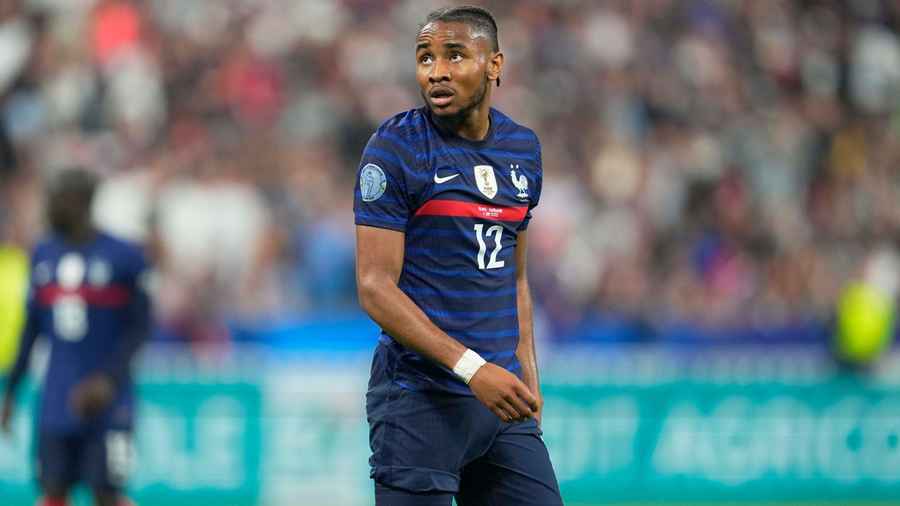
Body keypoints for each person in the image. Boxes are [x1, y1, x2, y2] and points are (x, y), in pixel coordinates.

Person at [354, 6, 562, 505]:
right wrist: (473, 369)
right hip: (419, 404)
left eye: (454, 55)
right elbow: (375, 287)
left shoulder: (522, 149)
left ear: (494, 65)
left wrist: (527, 374)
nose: (437, 71)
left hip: (500, 403)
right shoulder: (396, 149)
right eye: (425, 57)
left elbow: (515, 277)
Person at [1, 168, 151, 506]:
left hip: (110, 404)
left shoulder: (125, 258)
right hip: (56, 400)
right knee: (53, 492)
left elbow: (140, 328)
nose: (51, 207)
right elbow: (31, 329)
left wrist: (109, 380)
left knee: (107, 494)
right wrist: (12, 391)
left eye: (58, 199)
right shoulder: (43, 254)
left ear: (83, 201)